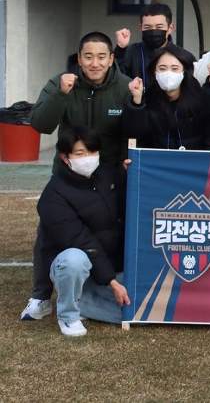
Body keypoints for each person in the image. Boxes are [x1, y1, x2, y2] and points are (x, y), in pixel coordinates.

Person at [22, 126, 129, 336]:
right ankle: (69, 315)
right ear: (65, 157)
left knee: (136, 307)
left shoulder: (109, 174)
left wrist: (130, 171)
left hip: (110, 265)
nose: (88, 158)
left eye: (92, 152)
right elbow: (81, 241)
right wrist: (112, 281)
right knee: (74, 259)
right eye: (80, 154)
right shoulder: (53, 196)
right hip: (79, 265)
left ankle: (88, 302)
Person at [31, 32, 133, 168]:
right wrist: (60, 94)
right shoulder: (60, 83)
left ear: (110, 59)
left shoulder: (126, 87)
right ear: (79, 59)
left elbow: (134, 132)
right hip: (68, 169)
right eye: (88, 57)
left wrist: (124, 161)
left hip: (111, 172)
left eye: (101, 57)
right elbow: (40, 125)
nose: (95, 64)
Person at [123, 48, 210, 150]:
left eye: (175, 68)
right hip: (159, 163)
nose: (168, 73)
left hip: (194, 163)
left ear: (184, 72)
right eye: (162, 69)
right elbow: (135, 135)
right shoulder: (148, 100)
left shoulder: (199, 100)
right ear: (154, 72)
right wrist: (136, 101)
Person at [112, 2, 192, 86]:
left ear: (170, 28)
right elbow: (115, 78)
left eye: (159, 27)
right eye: (147, 27)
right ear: (141, 27)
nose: (154, 31)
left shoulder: (184, 57)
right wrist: (120, 48)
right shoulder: (131, 52)